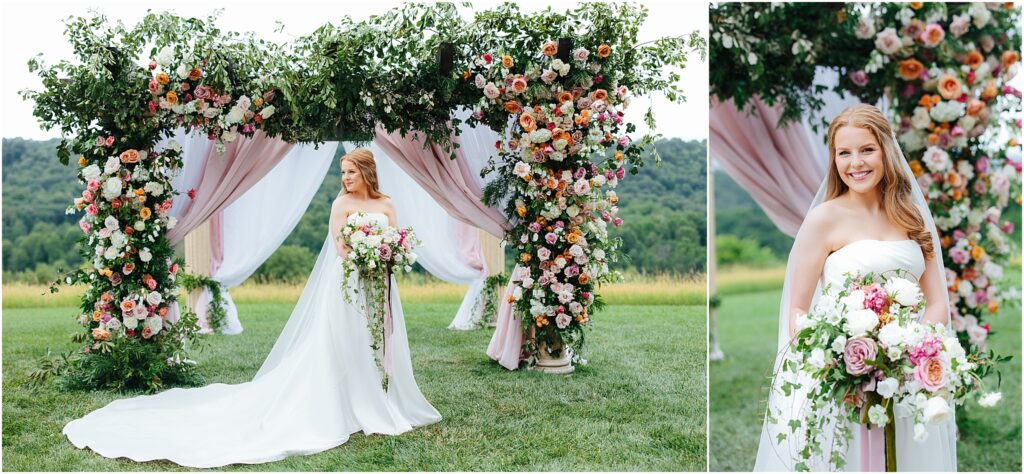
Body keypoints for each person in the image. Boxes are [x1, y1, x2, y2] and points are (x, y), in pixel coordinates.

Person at [63, 148, 441, 468]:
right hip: (348, 283)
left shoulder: (386, 204)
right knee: (344, 339)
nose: (345, 179)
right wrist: (365, 255)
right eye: (342, 172)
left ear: (367, 172)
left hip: (380, 284)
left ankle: (381, 394)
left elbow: (395, 238)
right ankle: (348, 400)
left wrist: (385, 255)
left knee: (376, 338)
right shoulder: (340, 204)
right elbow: (341, 247)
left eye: (351, 173)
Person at [753, 104, 956, 471]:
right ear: (834, 159)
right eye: (843, 153)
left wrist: (911, 356)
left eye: (866, 150)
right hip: (841, 379)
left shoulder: (910, 216)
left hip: (905, 379)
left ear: (885, 151)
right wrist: (841, 360)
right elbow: (797, 310)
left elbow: (938, 301)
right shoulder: (823, 219)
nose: (855, 163)